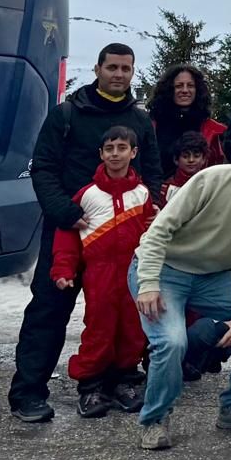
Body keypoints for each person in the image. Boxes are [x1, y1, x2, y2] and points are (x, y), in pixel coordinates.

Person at [10, 44, 163, 423]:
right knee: (49, 310)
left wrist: (152, 209)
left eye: (126, 68)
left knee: (121, 311)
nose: (119, 74)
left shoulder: (140, 121)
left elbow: (154, 170)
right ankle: (27, 392)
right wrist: (64, 210)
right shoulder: (67, 115)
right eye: (112, 67)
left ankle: (117, 380)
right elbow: (42, 167)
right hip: (70, 228)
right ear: (97, 69)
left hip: (122, 235)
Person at [128, 126, 231, 450]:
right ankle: (155, 419)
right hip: (162, 269)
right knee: (171, 342)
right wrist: (147, 283)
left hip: (212, 278)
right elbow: (160, 230)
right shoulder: (213, 179)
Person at [49, 124, 155, 418]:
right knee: (99, 329)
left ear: (133, 153)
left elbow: (153, 235)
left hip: (134, 275)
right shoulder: (87, 194)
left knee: (133, 330)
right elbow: (67, 236)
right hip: (100, 275)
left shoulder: (143, 194)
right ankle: (91, 386)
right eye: (109, 149)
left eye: (122, 148)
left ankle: (124, 380)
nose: (115, 154)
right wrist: (63, 268)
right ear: (101, 154)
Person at [148, 65, 225, 175]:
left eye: (190, 86)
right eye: (179, 86)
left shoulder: (215, 131)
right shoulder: (152, 126)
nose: (185, 90)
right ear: (170, 89)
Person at [163, 131, 214, 198]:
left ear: (204, 159)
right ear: (176, 159)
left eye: (196, 156)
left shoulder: (210, 187)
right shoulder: (165, 188)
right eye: (185, 156)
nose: (191, 160)